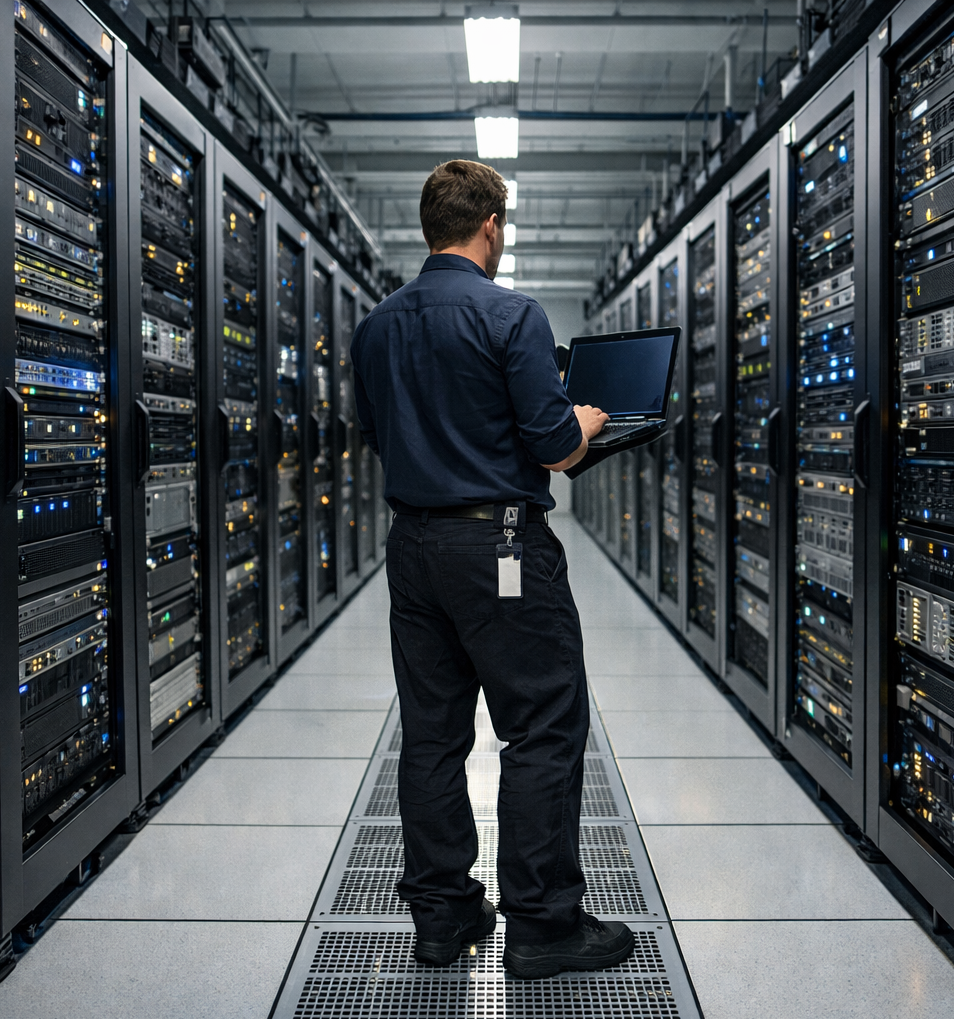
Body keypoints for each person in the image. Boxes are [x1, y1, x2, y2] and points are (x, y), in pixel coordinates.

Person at [351, 158, 635, 980]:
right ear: (490, 228)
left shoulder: (376, 326)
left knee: (433, 735)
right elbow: (554, 447)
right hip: (503, 546)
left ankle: (443, 918)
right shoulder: (512, 316)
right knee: (542, 724)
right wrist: (584, 417)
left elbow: (379, 435)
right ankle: (544, 924)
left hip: (415, 551)